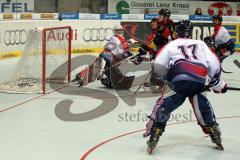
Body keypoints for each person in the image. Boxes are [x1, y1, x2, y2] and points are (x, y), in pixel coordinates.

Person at [144, 20, 227, 154]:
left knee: (165, 107)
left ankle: (156, 132)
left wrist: (165, 77)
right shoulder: (200, 44)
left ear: (177, 32)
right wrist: (218, 83)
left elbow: (159, 64)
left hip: (178, 79)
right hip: (198, 79)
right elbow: (214, 63)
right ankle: (213, 131)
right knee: (203, 106)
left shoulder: (173, 44)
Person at [72, 24, 134, 88]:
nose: (120, 31)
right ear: (116, 31)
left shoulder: (118, 38)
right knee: (99, 68)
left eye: (121, 30)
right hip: (108, 56)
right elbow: (118, 51)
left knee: (103, 69)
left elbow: (118, 50)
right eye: (119, 30)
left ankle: (82, 77)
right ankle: (81, 77)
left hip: (106, 55)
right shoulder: (117, 38)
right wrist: (127, 55)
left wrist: (126, 55)